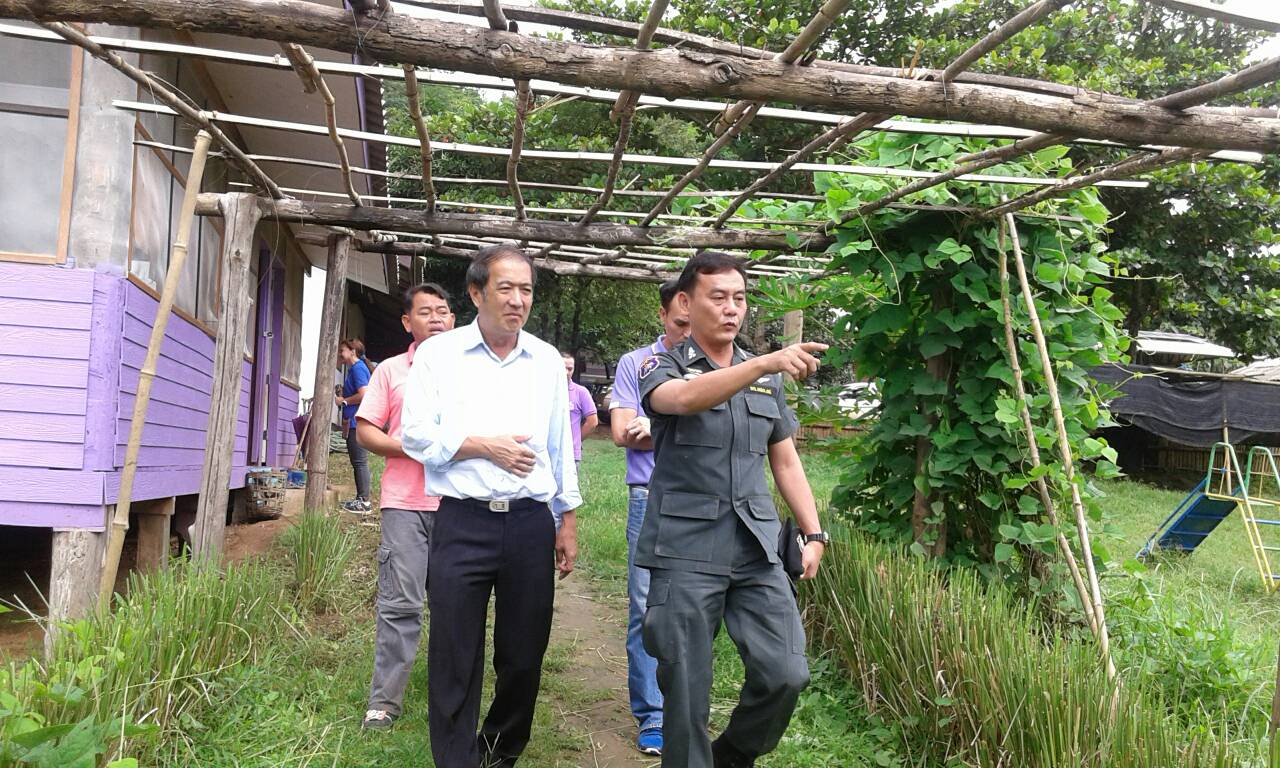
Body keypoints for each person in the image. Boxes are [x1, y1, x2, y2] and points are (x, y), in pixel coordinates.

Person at [637, 251, 831, 768]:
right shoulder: (664, 366)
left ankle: (730, 757)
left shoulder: (766, 379)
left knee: (787, 673)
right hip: (685, 551)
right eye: (718, 297)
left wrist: (813, 533)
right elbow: (681, 400)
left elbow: (784, 459)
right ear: (685, 303)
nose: (731, 309)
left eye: (739, 298)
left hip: (756, 547)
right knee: (685, 689)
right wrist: (761, 363)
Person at [401, 244, 581, 768]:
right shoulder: (439, 355)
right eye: (506, 288)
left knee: (524, 654)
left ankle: (499, 753)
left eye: (526, 289)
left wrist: (567, 519)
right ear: (477, 293)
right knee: (455, 650)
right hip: (463, 519)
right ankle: (454, 759)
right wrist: (483, 446)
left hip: (528, 522)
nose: (518, 299)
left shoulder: (546, 360)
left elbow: (559, 446)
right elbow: (415, 435)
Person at [354, 282, 456, 731]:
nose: (436, 319)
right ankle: (384, 701)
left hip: (460, 504)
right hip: (405, 504)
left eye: (443, 311)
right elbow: (366, 430)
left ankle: (452, 701)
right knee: (400, 604)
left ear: (454, 319)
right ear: (406, 321)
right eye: (426, 312)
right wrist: (412, 447)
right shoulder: (392, 371)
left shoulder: (471, 370)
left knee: (456, 607)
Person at [607, 278, 690, 756]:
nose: (687, 333)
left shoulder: (722, 364)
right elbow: (621, 432)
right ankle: (653, 715)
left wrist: (652, 426)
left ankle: (686, 709)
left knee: (695, 608)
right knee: (645, 605)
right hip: (649, 494)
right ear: (663, 315)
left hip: (704, 497)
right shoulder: (636, 363)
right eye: (679, 323)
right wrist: (666, 423)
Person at [337, 338, 373, 513]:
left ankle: (364, 501)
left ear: (352, 352)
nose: (340, 354)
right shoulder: (355, 369)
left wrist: (344, 401)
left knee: (359, 461)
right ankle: (361, 498)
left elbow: (364, 394)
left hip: (357, 421)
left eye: (342, 350)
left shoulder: (358, 369)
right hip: (355, 421)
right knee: (357, 461)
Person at [561, 351, 599, 465]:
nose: (567, 372)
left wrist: (576, 441)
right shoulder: (545, 390)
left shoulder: (580, 392)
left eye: (570, 369)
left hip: (571, 455)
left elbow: (592, 421)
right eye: (563, 368)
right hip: (545, 453)